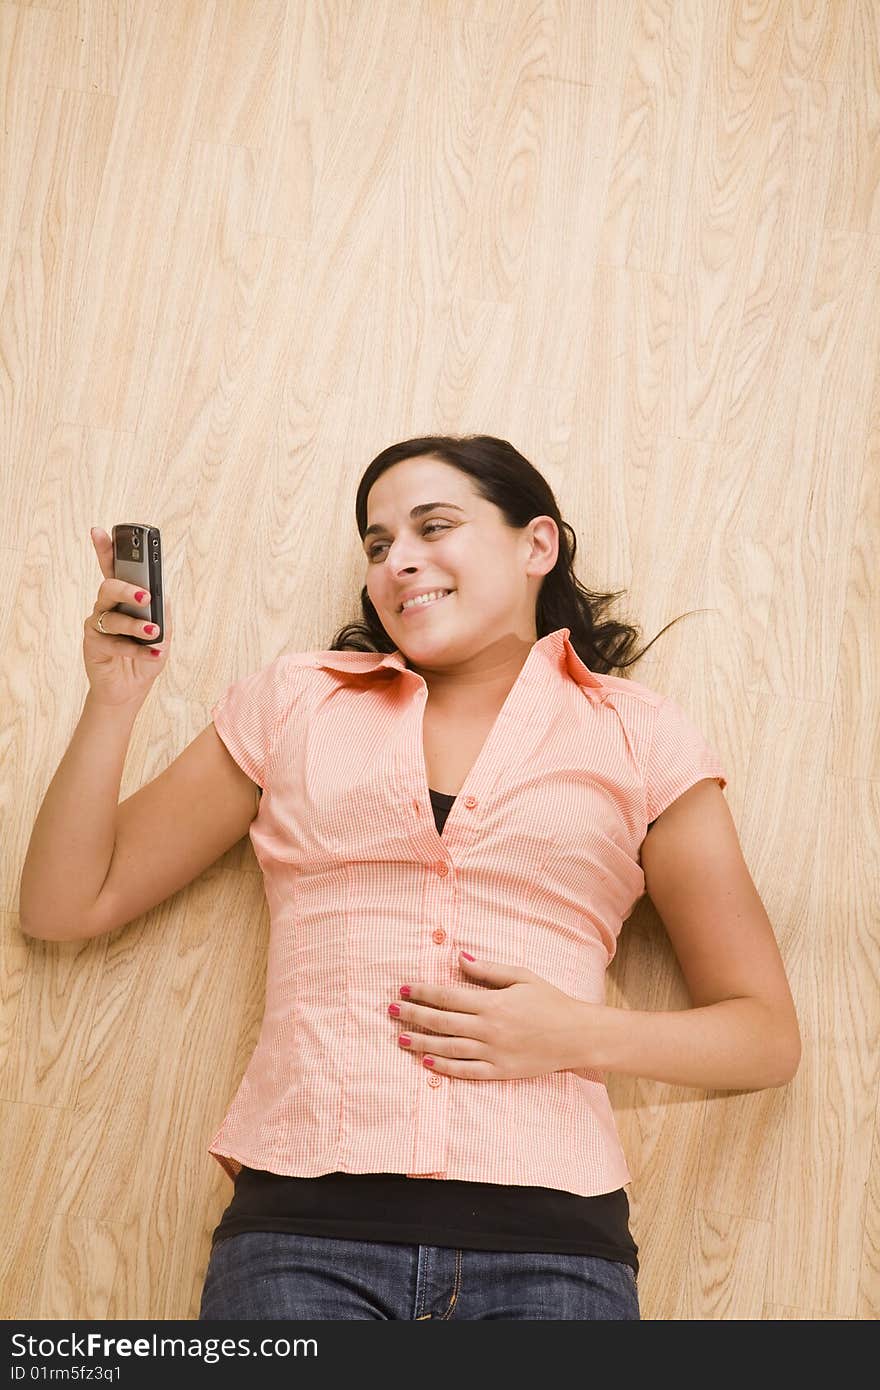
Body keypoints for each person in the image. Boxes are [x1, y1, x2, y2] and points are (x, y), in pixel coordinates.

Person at [19, 434, 801, 1321]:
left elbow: (764, 1036)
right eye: (379, 544)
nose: (399, 563)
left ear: (535, 544)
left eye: (435, 526)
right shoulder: (297, 702)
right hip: (300, 1245)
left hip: (553, 1257)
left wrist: (576, 1034)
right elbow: (62, 905)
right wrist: (115, 695)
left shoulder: (640, 736)